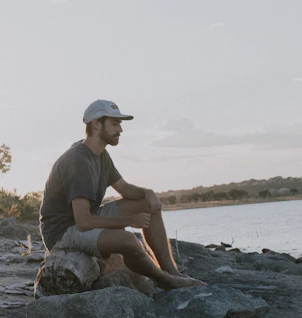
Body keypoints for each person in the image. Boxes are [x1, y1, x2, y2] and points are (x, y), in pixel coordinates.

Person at [39, 99, 206, 290]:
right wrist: (129, 220)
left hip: (83, 221)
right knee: (129, 241)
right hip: (63, 231)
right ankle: (164, 279)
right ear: (96, 124)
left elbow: (125, 189)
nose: (120, 130)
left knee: (145, 202)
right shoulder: (79, 161)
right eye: (115, 123)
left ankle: (171, 271)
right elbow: (83, 221)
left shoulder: (100, 155)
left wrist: (148, 192)